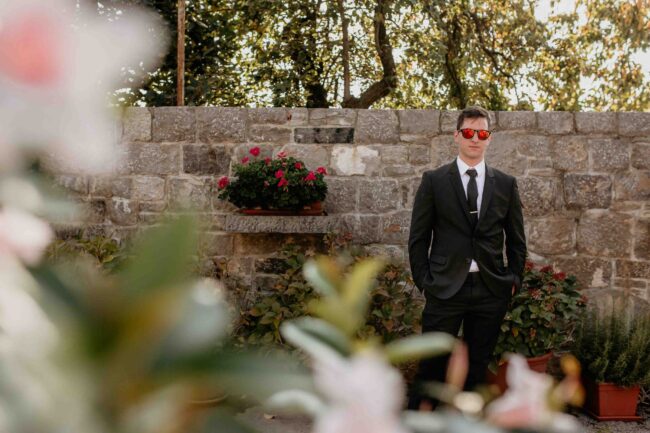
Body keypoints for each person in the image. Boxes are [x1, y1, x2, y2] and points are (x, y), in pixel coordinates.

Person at [407, 105, 527, 409]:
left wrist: (513, 279)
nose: (475, 138)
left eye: (482, 133)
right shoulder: (434, 181)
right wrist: (424, 281)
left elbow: (516, 239)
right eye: (469, 132)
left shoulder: (506, 184)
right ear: (457, 136)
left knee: (477, 367)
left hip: (490, 288)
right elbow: (418, 238)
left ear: (489, 138)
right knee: (432, 365)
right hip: (444, 287)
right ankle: (419, 421)